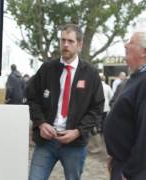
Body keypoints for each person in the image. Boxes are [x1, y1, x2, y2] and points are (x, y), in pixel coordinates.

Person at [26, 24, 104, 180]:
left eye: (70, 41)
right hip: (46, 142)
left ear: (80, 45)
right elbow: (32, 99)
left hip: (74, 144)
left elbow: (97, 108)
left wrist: (78, 131)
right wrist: (41, 123)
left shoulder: (91, 73)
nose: (65, 45)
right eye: (62, 40)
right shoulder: (47, 69)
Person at [103, 31, 146, 180]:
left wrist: (132, 172)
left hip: (133, 170)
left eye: (131, 42)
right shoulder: (139, 77)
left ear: (144, 52)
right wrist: (115, 157)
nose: (126, 45)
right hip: (122, 162)